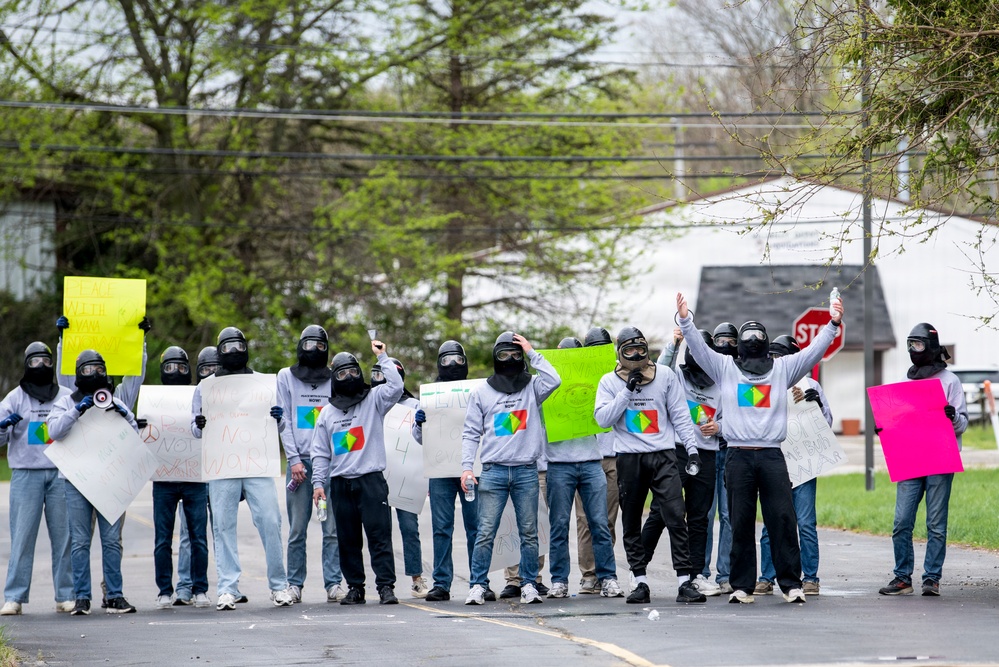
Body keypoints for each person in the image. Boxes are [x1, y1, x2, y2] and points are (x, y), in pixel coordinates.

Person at [676, 291, 844, 604]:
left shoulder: (782, 370)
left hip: (771, 456)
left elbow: (812, 353)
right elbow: (698, 349)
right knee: (739, 521)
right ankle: (742, 586)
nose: (753, 341)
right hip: (738, 455)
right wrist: (685, 320)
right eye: (748, 337)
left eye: (757, 337)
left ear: (765, 344)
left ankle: (791, 584)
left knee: (782, 520)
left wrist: (833, 324)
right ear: (739, 347)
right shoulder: (725, 368)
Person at [594, 326, 706, 605]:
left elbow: (680, 414)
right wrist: (627, 391)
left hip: (663, 454)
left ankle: (684, 581)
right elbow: (603, 420)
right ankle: (640, 581)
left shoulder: (665, 375)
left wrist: (691, 450)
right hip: (629, 458)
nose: (636, 354)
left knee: (675, 515)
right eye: (629, 350)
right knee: (631, 519)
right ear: (619, 352)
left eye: (640, 349)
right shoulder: (609, 382)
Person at [192, 327, 294, 611]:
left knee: (271, 521)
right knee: (222, 526)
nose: (233, 352)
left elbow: (281, 424)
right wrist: (198, 425)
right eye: (227, 348)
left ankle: (278, 586)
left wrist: (279, 418)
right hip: (222, 465)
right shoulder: (206, 387)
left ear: (246, 348)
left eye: (238, 346)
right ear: (219, 350)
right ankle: (227, 588)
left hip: (257, 463)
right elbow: (195, 428)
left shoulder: (263, 384)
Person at [462, 332, 560, 605]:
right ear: (495, 357)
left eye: (515, 354)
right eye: (504, 354)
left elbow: (555, 379)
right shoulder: (481, 391)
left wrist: (531, 350)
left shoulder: (533, 388)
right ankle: (478, 585)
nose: (510, 359)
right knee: (485, 532)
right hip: (493, 470)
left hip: (526, 470)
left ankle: (528, 584)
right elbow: (470, 433)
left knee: (529, 532)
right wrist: (466, 467)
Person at [47, 350, 139, 615]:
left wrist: (122, 414)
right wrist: (78, 409)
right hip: (76, 480)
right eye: (88, 370)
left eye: (99, 369)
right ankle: (82, 598)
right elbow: (54, 431)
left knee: (111, 541)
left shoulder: (113, 401)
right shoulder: (66, 402)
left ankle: (115, 596)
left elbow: (133, 435)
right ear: (78, 374)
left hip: (110, 479)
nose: (94, 374)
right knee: (79, 541)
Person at [878, 323, 967, 597]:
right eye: (909, 345)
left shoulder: (950, 381)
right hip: (911, 457)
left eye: (917, 345)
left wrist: (952, 416)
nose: (912, 350)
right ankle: (902, 578)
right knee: (902, 520)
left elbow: (963, 424)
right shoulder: (906, 382)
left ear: (930, 347)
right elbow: (899, 420)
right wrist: (883, 427)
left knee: (936, 523)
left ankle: (932, 579)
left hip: (940, 457)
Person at [312, 340, 403, 605]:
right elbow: (320, 453)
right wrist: (318, 483)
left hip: (371, 480)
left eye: (353, 371)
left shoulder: (374, 400)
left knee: (379, 535)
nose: (349, 377)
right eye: (342, 374)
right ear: (334, 378)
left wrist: (383, 356)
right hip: (341, 484)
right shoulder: (327, 414)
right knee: (348, 539)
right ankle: (355, 588)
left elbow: (396, 387)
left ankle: (386, 586)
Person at [643, 328, 725, 598]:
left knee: (700, 517)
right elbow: (658, 370)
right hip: (676, 452)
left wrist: (719, 427)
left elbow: (734, 416)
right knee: (662, 511)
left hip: (707, 454)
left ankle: (696, 574)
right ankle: (638, 571)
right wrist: (674, 343)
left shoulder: (722, 381)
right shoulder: (676, 376)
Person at [544, 337, 622, 599]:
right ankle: (559, 580)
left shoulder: (596, 382)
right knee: (559, 525)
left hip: (591, 461)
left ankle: (608, 577)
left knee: (599, 523)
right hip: (558, 465)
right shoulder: (547, 385)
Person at [0, 342, 74, 615]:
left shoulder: (65, 395)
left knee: (64, 537)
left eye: (46, 361)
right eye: (34, 362)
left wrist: (63, 338)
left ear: (53, 364)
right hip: (25, 475)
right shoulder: (14, 398)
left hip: (60, 473)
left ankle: (66, 595)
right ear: (26, 364)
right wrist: (2, 428)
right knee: (21, 537)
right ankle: (14, 597)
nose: (40, 367)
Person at [755, 335, 832, 597]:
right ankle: (766, 576)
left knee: (806, 523)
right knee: (770, 524)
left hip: (803, 462)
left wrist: (816, 404)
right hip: (775, 462)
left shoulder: (811, 385)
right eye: (774, 357)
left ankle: (810, 577)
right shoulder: (766, 383)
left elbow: (828, 424)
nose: (778, 361)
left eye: (783, 356)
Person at [418, 341, 492, 603]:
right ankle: (441, 583)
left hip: (471, 469)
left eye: (458, 360)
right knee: (441, 528)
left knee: (477, 527)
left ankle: (480, 581)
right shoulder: (430, 396)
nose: (452, 366)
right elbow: (420, 439)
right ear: (440, 362)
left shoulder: (477, 392)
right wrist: (419, 426)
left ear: (466, 363)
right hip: (440, 472)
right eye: (447, 360)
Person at [277, 326, 345, 605]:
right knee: (297, 530)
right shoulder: (285, 377)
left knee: (332, 529)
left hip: (329, 462)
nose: (313, 349)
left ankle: (334, 583)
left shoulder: (334, 378)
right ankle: (294, 584)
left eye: (319, 345)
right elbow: (284, 421)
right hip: (300, 465)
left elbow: (343, 416)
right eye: (309, 344)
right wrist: (293, 459)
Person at [143, 346, 211, 610]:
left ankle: (200, 589)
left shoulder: (200, 394)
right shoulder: (153, 398)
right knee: (163, 538)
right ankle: (164, 591)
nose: (176, 372)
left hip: (195, 475)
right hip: (163, 478)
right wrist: (141, 426)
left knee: (198, 537)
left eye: (182, 368)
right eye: (170, 367)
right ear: (162, 370)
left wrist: (205, 422)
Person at [371, 357, 427, 598]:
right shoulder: (370, 403)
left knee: (409, 528)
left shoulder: (414, 405)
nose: (379, 379)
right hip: (376, 476)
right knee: (379, 532)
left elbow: (425, 441)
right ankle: (385, 584)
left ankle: (417, 578)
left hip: (407, 477)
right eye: (376, 375)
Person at [575, 326, 620, 595]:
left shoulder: (619, 374)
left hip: (612, 456)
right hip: (585, 456)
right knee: (584, 520)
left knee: (607, 520)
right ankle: (588, 574)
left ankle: (605, 571)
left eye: (603, 348)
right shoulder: (576, 378)